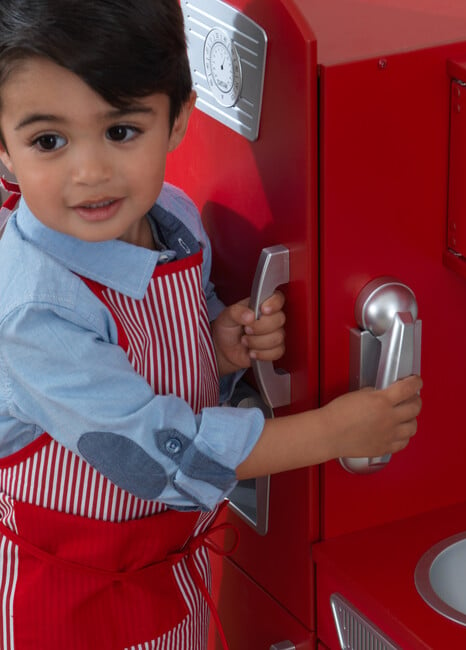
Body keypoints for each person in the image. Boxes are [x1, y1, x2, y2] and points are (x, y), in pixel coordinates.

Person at [0, 1, 423, 648]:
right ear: (3, 147)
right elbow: (158, 454)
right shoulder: (35, 310)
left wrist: (216, 348)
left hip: (166, 568)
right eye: (48, 141)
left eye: (120, 131)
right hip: (68, 600)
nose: (89, 173)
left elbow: (155, 354)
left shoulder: (170, 218)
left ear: (178, 121)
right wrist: (336, 431)